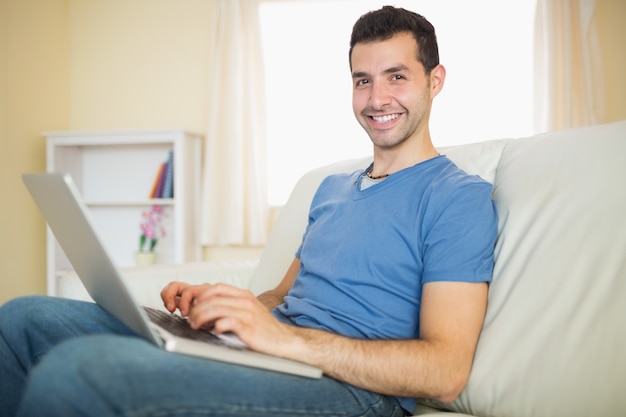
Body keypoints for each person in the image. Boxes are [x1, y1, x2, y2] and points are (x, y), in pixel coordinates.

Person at [0, 6, 497, 417]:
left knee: (82, 370)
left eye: (396, 77)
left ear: (435, 81)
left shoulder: (457, 197)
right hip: (274, 356)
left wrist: (284, 341)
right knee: (22, 318)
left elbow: (444, 372)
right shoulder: (331, 190)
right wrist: (224, 307)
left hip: (353, 390)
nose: (377, 98)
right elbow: (279, 295)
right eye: (362, 80)